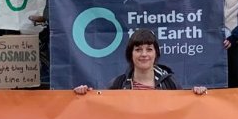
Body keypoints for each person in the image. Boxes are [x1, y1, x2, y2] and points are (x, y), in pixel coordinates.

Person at [72, 28, 207, 94]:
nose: (144, 54)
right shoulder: (118, 84)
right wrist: (84, 94)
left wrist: (198, 94)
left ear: (156, 53)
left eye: (149, 49)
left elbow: (182, 115)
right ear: (130, 54)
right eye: (138, 49)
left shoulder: (170, 83)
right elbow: (103, 114)